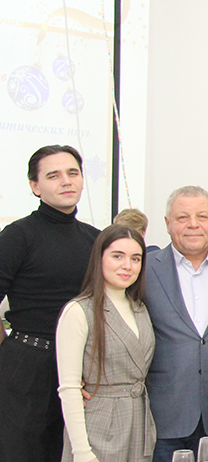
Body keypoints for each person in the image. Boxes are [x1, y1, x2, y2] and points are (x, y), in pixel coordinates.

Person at [0, 145, 101, 461]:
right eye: (53, 175)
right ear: (35, 186)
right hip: (26, 366)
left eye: (73, 173)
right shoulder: (18, 235)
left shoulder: (96, 239)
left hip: (80, 368)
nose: (66, 181)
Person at [145, 186, 208, 462]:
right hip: (165, 415)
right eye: (182, 217)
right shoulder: (145, 268)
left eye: (202, 216)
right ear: (167, 223)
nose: (193, 224)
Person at [56, 224, 155, 462]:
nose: (127, 265)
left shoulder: (139, 308)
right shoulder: (79, 310)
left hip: (139, 423)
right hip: (99, 426)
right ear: (99, 258)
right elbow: (69, 389)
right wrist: (82, 452)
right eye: (117, 256)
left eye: (135, 258)